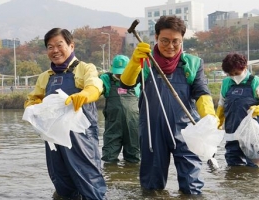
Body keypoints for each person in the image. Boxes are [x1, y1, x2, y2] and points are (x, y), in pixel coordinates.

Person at [120, 15, 218, 195]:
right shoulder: (145, 60)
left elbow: (202, 93)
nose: (170, 46)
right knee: (152, 185)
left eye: (176, 41)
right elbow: (126, 84)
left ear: (182, 40)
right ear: (156, 37)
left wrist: (209, 117)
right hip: (152, 130)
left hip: (187, 130)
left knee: (191, 185)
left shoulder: (193, 63)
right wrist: (135, 61)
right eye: (165, 40)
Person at [24, 28, 106, 200]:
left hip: (81, 139)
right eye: (50, 47)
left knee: (89, 182)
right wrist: (31, 106)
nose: (55, 50)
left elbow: (95, 86)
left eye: (59, 45)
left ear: (71, 45)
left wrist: (85, 94)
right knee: (62, 183)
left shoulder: (84, 68)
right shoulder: (45, 77)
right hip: (54, 140)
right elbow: (35, 97)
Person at [216, 53, 259, 167]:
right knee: (233, 166)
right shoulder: (226, 83)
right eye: (230, 74)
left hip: (254, 134)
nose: (234, 76)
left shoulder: (258, 83)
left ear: (244, 67)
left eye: (236, 73)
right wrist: (217, 122)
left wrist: (258, 109)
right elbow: (221, 105)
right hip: (232, 133)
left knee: (255, 167)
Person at [100, 55, 140, 163]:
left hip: (133, 127)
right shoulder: (106, 79)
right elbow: (95, 88)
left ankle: (131, 179)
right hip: (113, 126)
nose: (120, 74)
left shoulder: (137, 80)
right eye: (118, 72)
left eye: (123, 72)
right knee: (109, 158)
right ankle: (111, 179)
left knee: (134, 159)